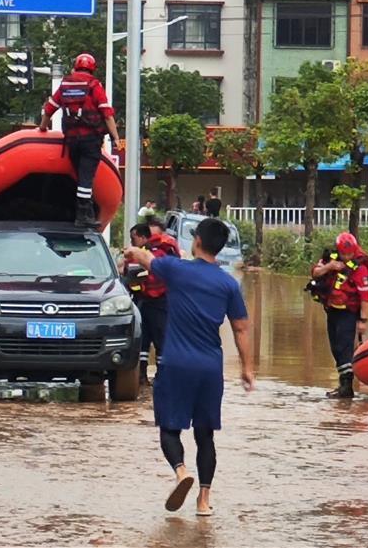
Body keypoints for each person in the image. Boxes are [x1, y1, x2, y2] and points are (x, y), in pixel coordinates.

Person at [124, 218, 254, 517]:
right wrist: (248, 368)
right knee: (205, 435)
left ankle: (182, 472)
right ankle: (204, 501)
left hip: (176, 364)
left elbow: (146, 257)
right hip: (210, 367)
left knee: (169, 428)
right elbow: (241, 329)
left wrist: (131, 250)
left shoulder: (176, 269)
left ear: (196, 241)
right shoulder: (228, 284)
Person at [38, 53, 121, 229]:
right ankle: (83, 215)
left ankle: (83, 211)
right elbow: (107, 114)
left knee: (80, 175)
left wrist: (43, 128)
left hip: (71, 140)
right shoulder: (94, 85)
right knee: (86, 178)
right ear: (92, 68)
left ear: (75, 66)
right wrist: (115, 137)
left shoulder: (66, 84)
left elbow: (49, 108)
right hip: (90, 140)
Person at [308, 232, 368, 399]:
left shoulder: (360, 267)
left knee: (344, 349)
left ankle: (346, 387)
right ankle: (343, 384)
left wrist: (363, 320)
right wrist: (329, 267)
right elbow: (315, 273)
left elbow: (365, 297)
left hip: (348, 313)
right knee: (335, 348)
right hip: (332, 310)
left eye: (349, 254)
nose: (346, 257)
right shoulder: (331, 258)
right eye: (343, 253)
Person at [134, 217, 182, 384]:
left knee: (159, 339)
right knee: (143, 339)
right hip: (143, 299)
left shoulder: (164, 251)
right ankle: (142, 375)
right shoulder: (142, 251)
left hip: (160, 300)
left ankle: (161, 375)